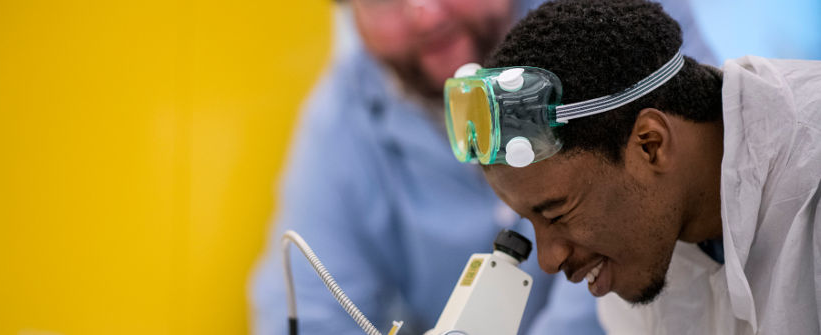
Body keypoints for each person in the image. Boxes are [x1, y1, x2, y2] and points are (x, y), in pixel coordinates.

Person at [249, 1, 716, 334]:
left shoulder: (626, 25)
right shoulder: (344, 117)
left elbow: (668, 213)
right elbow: (310, 308)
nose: (424, 12)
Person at [462, 0, 821, 333]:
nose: (549, 261)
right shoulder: (644, 250)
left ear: (651, 145)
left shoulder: (811, 177)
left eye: (557, 214)